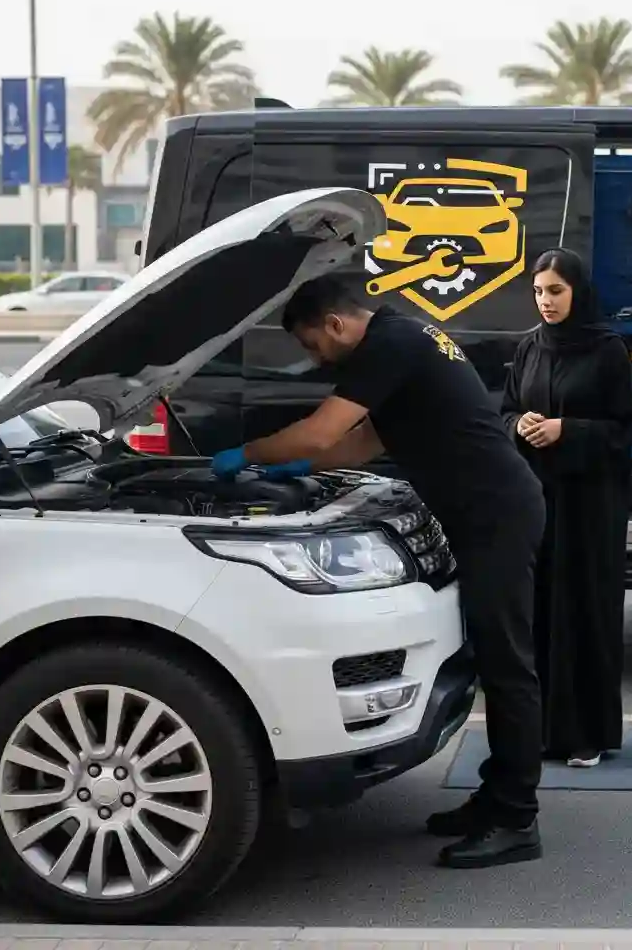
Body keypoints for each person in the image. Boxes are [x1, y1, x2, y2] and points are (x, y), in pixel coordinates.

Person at [209, 274, 546, 869]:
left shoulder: (389, 345)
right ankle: (496, 798)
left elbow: (321, 430)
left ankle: (517, 819)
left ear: (336, 324)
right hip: (484, 511)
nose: (315, 360)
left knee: (508, 665)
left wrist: (249, 454)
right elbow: (354, 447)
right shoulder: (402, 340)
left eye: (313, 345)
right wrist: (296, 470)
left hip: (496, 514)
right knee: (486, 657)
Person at [500, 248, 632, 768]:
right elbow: (506, 410)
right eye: (538, 291)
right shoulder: (529, 348)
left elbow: (626, 431)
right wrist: (520, 426)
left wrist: (567, 430)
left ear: (577, 291)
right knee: (538, 612)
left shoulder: (608, 351)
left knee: (585, 612)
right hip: (538, 501)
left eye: (555, 291)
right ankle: (540, 731)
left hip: (591, 508)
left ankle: (587, 733)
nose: (546, 301)